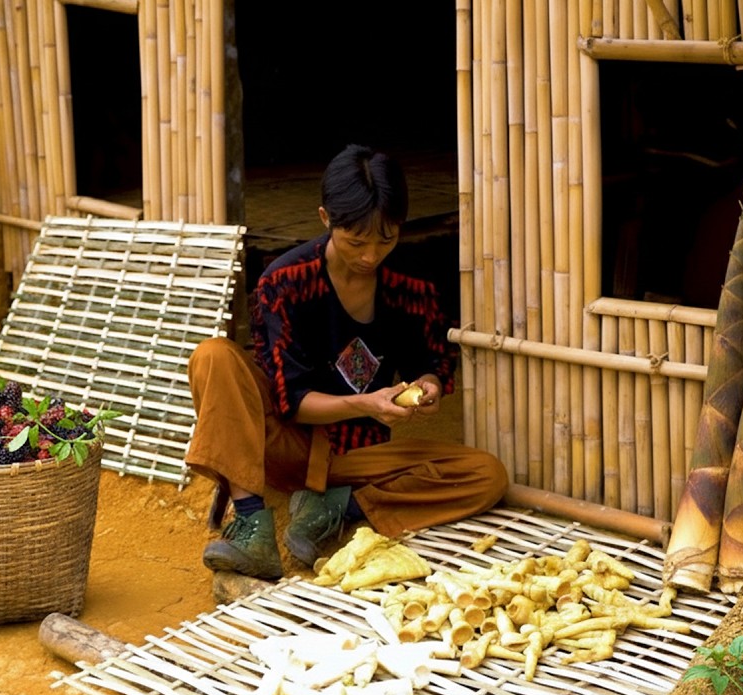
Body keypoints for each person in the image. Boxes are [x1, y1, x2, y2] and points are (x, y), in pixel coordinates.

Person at [184, 144, 509, 580]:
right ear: (325, 219)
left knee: (486, 475)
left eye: (385, 239)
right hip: (285, 445)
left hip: (356, 456)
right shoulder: (284, 281)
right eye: (356, 241)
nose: (370, 255)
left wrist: (428, 384)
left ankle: (340, 506)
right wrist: (367, 403)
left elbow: (426, 361)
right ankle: (252, 526)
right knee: (213, 356)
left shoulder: (410, 284)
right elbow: (291, 402)